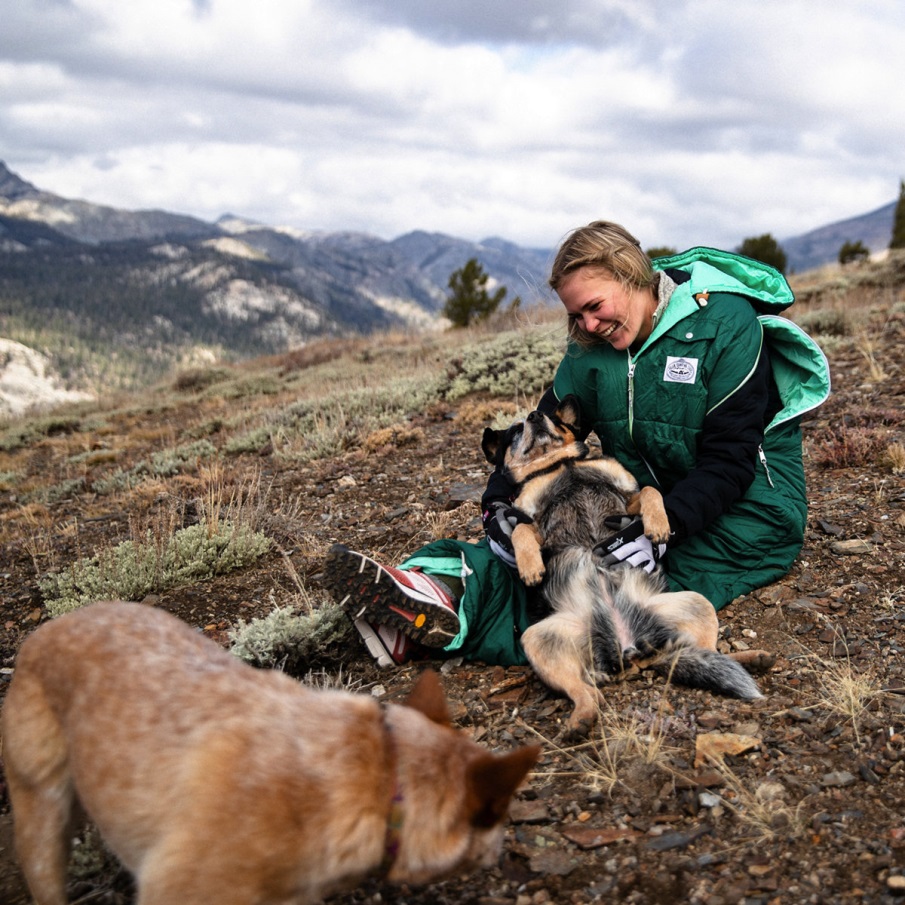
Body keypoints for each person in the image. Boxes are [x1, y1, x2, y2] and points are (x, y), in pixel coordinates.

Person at [323, 221, 830, 668]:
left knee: (596, 588)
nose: (588, 325)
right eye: (575, 315)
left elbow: (730, 462)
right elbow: (543, 435)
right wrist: (499, 511)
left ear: (632, 274)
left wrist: (667, 524)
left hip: (746, 511)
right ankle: (426, 589)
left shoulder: (725, 323)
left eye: (594, 306)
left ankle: (447, 620)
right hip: (636, 508)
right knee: (536, 558)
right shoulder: (592, 347)